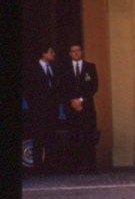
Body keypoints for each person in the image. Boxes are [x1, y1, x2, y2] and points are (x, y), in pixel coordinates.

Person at [60, 43, 99, 173]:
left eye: (78, 50)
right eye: (73, 51)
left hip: (86, 108)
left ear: (81, 52)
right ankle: (74, 167)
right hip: (71, 108)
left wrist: (81, 100)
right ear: (70, 53)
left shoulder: (90, 67)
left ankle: (90, 167)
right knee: (73, 136)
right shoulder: (64, 69)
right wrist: (72, 101)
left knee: (88, 136)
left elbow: (94, 86)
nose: (75, 53)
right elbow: (62, 87)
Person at [24, 45, 60, 174]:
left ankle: (49, 167)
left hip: (51, 111)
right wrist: (34, 107)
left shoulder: (53, 69)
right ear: (44, 54)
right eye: (51, 52)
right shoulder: (33, 69)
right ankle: (37, 168)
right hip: (38, 111)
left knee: (50, 138)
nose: (53, 54)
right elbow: (28, 90)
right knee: (38, 138)